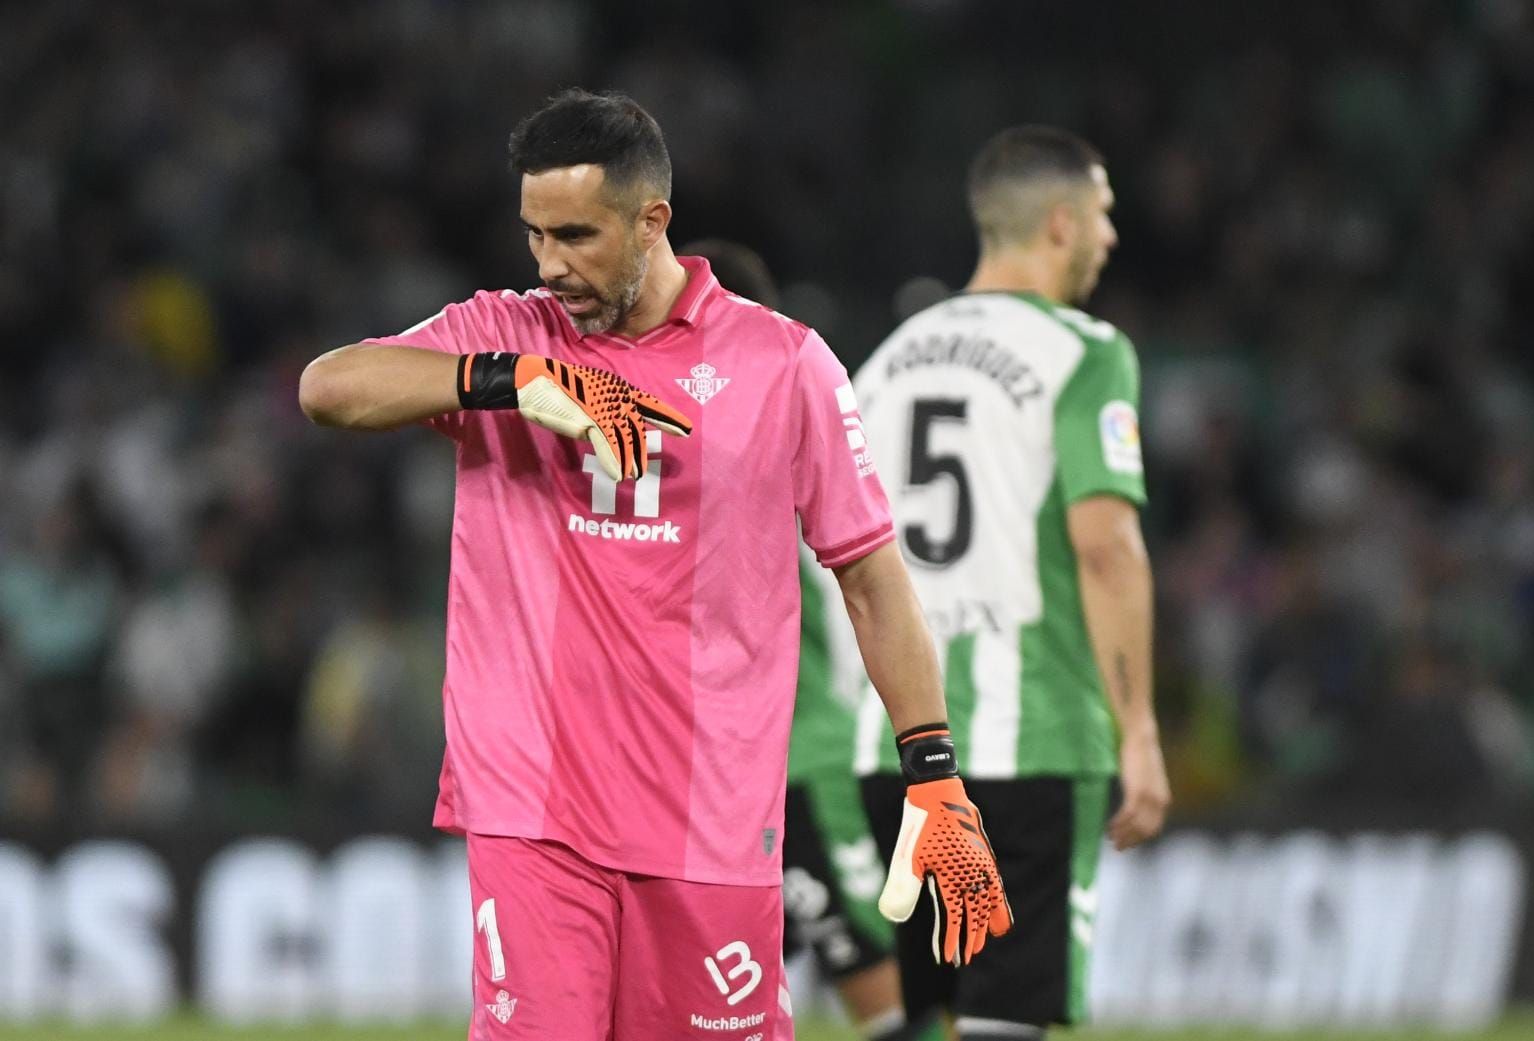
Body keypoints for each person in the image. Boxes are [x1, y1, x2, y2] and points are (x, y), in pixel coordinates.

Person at [297, 89, 1008, 1041]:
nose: (551, 265)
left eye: (578, 236)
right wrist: (512, 379)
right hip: (534, 809)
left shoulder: (783, 365)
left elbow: (872, 578)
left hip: (710, 823)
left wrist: (935, 771)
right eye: (535, 235)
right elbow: (329, 389)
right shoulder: (510, 333)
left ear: (652, 220)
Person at [852, 126, 1171, 1041]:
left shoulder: (882, 363)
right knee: (1004, 1019)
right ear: (1063, 224)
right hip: (1028, 739)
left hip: (898, 749)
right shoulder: (1084, 351)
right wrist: (1139, 727)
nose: (1112, 238)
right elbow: (1107, 545)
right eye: (1105, 217)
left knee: (927, 1018)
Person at [684, 238, 930, 1041]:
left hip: (808, 767)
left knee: (887, 1002)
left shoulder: (747, 438)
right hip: (773, 769)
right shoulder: (806, 426)